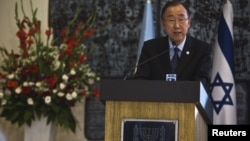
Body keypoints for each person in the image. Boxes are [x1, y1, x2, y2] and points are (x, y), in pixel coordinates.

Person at [134, 0, 212, 93]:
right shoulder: (151, 48)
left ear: (189, 22)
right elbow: (140, 81)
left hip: (188, 104)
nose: (177, 25)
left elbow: (202, 83)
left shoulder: (201, 50)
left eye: (181, 19)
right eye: (171, 20)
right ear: (163, 24)